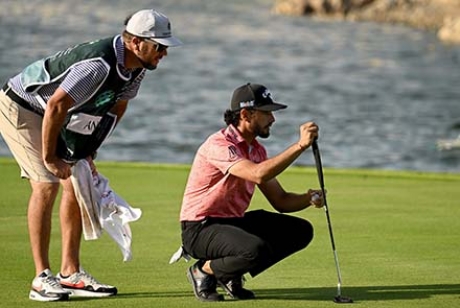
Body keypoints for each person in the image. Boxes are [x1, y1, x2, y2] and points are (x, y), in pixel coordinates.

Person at [0, 8, 182, 302]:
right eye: (159, 47)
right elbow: (56, 106)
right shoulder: (98, 66)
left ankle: (70, 274)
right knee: (46, 183)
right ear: (136, 42)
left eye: (165, 47)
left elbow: (116, 108)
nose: (164, 53)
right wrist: (50, 158)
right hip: (21, 105)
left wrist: (88, 149)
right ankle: (40, 278)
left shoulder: (136, 68)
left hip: (55, 112)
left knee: (74, 179)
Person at [179, 83, 325, 302]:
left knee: (300, 231)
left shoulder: (257, 150)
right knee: (253, 249)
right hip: (201, 228)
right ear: (246, 114)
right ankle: (205, 271)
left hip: (232, 223)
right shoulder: (219, 144)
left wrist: (308, 198)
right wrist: (300, 146)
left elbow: (281, 201)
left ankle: (228, 274)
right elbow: (257, 174)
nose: (273, 119)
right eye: (267, 113)